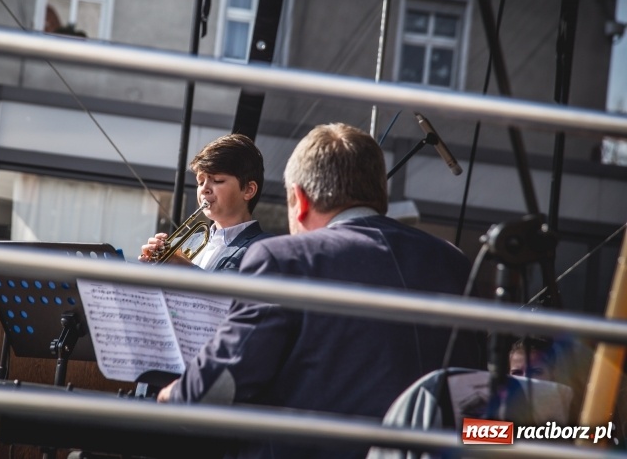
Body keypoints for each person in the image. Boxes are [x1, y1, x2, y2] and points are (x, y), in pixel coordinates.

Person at [157, 123, 484, 458]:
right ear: (379, 194)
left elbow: (214, 387)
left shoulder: (283, 260)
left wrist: (168, 396)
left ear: (299, 200)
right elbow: (478, 399)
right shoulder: (454, 262)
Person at [139, 133, 273, 272]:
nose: (204, 189)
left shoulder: (264, 249)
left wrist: (186, 269)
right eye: (200, 182)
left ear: (248, 190)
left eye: (218, 180)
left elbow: (232, 293)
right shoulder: (183, 244)